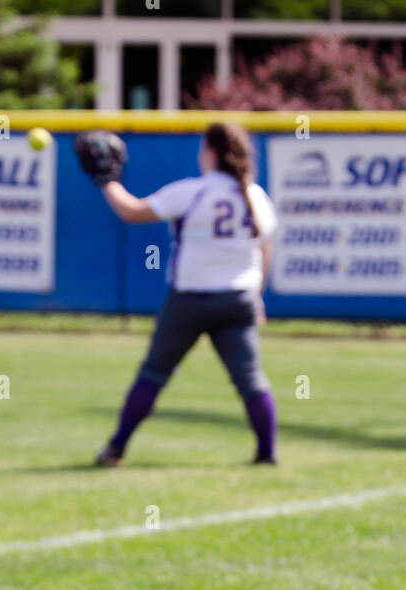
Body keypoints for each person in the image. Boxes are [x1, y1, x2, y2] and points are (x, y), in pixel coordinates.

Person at [95, 121, 278, 467]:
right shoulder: (254, 195)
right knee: (251, 379)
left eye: (202, 148)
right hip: (238, 299)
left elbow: (132, 211)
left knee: (153, 373)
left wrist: (108, 181)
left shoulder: (195, 191)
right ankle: (267, 453)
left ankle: (116, 448)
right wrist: (258, 296)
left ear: (212, 152)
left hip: (191, 299)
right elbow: (264, 248)